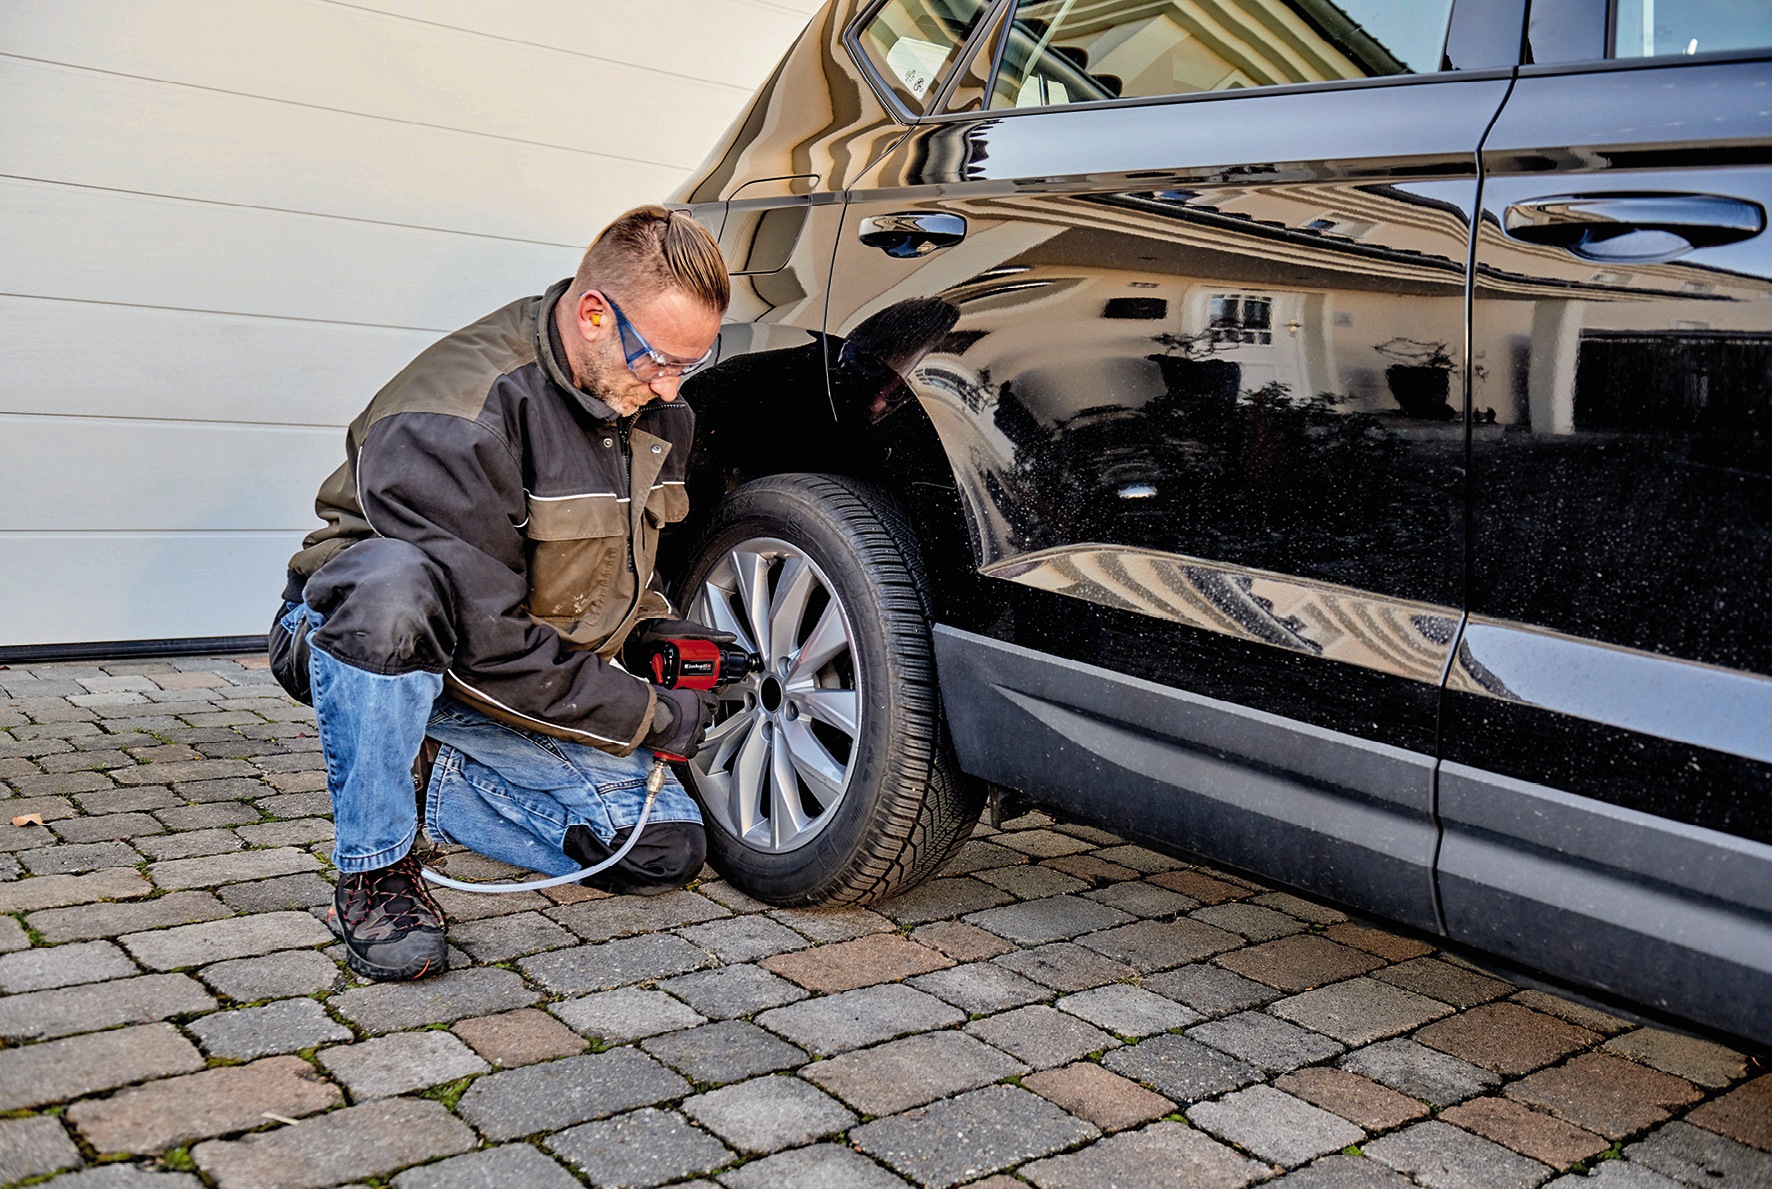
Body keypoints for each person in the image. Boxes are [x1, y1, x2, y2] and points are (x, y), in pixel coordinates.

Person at [268, 206, 730, 981]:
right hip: (367, 642)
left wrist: (653, 634)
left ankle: (426, 768)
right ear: (593, 314)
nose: (670, 385)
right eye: (657, 359)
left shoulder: (652, 408)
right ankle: (375, 867)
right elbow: (488, 643)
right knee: (392, 587)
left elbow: (619, 568)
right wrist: (648, 715)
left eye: (692, 360)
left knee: (659, 849)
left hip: (506, 663)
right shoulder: (454, 417)